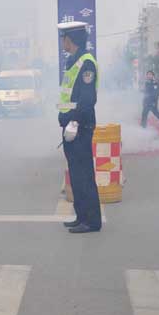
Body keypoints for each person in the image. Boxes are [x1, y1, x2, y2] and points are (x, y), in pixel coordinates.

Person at [57, 21, 101, 234]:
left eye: (63, 38)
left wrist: (71, 119)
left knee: (84, 174)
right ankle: (81, 215)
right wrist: (62, 116)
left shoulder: (86, 64)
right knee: (75, 173)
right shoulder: (72, 62)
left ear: (70, 39)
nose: (62, 42)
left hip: (79, 126)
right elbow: (68, 95)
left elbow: (87, 100)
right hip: (70, 125)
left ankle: (92, 221)